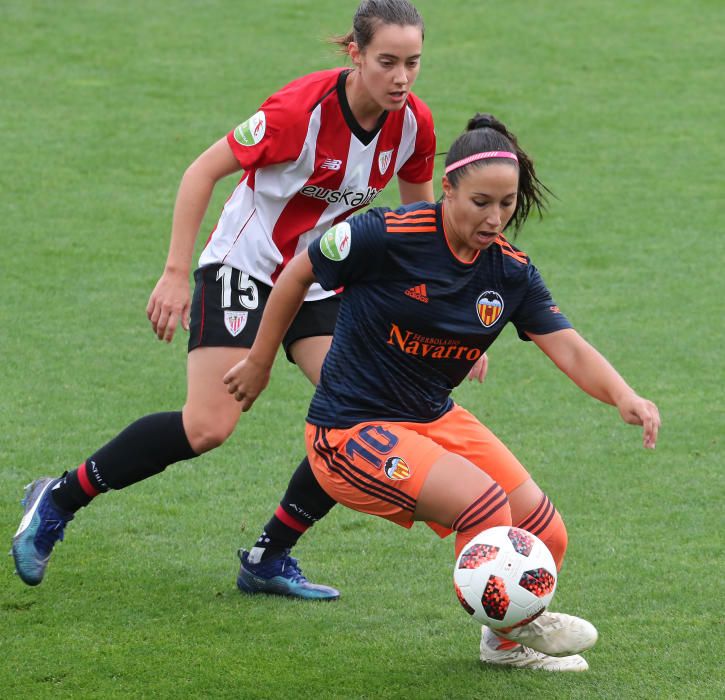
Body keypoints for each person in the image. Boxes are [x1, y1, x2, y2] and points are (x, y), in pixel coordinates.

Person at [13, 0, 470, 600]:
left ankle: (268, 556)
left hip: (321, 280)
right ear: (355, 54)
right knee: (207, 427)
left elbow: (417, 226)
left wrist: (438, 311)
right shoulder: (297, 111)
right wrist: (177, 272)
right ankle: (60, 497)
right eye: (387, 62)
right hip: (245, 267)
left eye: (413, 63)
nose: (401, 78)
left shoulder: (413, 124)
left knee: (359, 417)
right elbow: (201, 171)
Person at [222, 113, 661, 671]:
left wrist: (624, 395)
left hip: (432, 418)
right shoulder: (385, 235)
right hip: (350, 429)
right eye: (481, 202)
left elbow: (568, 346)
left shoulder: (510, 274)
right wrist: (259, 361)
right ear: (446, 188)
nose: (495, 218)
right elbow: (297, 275)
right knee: (483, 504)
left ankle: (503, 644)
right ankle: (514, 630)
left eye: (507, 204)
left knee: (545, 531)